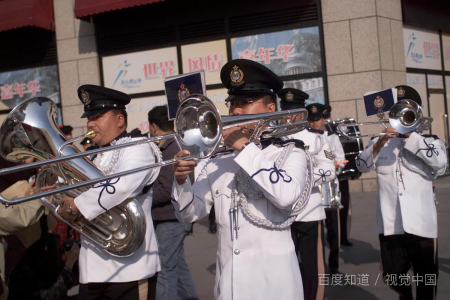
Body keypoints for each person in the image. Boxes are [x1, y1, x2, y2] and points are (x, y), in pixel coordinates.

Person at [172, 59, 309, 300]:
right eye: (233, 104)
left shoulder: (291, 152)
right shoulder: (217, 159)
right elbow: (189, 214)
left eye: (245, 103)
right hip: (230, 286)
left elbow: (286, 196)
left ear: (270, 110)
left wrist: (243, 148)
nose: (235, 111)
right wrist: (181, 182)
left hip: (275, 286)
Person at [57, 85, 162, 299]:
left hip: (131, 269)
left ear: (120, 120)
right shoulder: (92, 156)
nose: (90, 124)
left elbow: (122, 183)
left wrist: (76, 205)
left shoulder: (138, 147)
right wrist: (58, 196)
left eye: (97, 116)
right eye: (89, 118)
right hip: (92, 270)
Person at [356, 85, 447, 300]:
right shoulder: (379, 142)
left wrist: (409, 136)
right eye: (400, 109)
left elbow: (440, 163)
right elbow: (361, 165)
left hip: (421, 224)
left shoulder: (429, 142)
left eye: (409, 110)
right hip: (391, 224)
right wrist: (379, 143)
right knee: (392, 276)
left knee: (426, 279)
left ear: (418, 113)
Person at [278, 89, 335, 300]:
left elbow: (329, 170)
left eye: (293, 112)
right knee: (286, 265)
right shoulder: (274, 137)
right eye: (285, 111)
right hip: (281, 212)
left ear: (302, 113)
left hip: (310, 211)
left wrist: (302, 177)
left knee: (312, 266)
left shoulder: (317, 138)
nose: (289, 117)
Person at [147, 105, 199, 300]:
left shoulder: (172, 148)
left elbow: (166, 190)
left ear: (153, 126)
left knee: (165, 269)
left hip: (170, 218)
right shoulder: (170, 146)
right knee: (177, 265)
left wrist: (142, 200)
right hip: (170, 217)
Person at [321, 104, 347, 275]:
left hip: (329, 188)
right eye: (313, 119)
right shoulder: (306, 138)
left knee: (332, 228)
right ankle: (318, 264)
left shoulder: (331, 138)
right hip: (313, 190)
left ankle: (333, 263)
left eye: (321, 119)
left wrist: (329, 159)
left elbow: (339, 159)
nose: (316, 123)